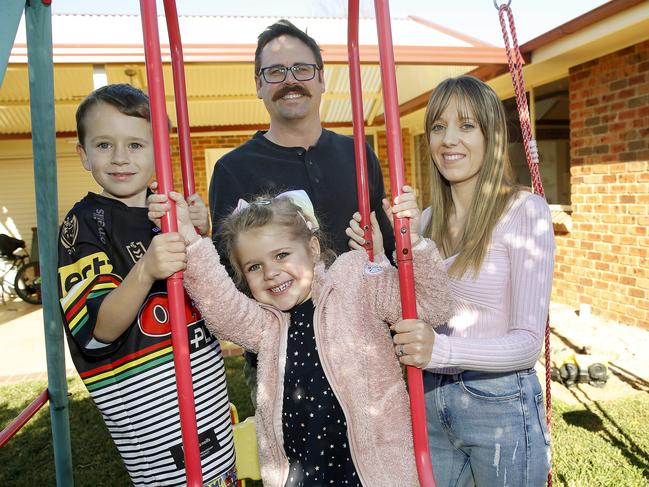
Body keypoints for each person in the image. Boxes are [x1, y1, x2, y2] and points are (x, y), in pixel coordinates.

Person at [148, 187, 452, 486]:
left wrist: (411, 243)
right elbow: (221, 306)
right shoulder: (266, 325)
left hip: (376, 472)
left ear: (313, 248)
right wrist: (189, 240)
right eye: (254, 266)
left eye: (281, 255)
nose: (271, 272)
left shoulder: (354, 282)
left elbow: (432, 306)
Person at [57, 84, 237, 486]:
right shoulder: (84, 224)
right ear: (83, 154)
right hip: (150, 415)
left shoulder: (169, 209)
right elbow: (97, 329)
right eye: (104, 145)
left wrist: (198, 234)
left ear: (159, 151)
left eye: (136, 145)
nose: (121, 158)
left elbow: (213, 295)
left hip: (207, 396)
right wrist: (146, 269)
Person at [209, 19, 396, 404]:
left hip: (369, 348)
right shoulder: (233, 169)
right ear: (258, 85)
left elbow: (388, 251)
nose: (290, 79)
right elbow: (231, 276)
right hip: (284, 360)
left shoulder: (358, 155)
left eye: (302, 69)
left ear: (322, 79)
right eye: (275, 71)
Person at [391, 76, 554, 486]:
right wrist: (386, 250)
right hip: (430, 399)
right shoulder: (425, 220)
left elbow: (527, 344)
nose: (449, 139)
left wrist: (439, 350)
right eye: (438, 126)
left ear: (491, 135)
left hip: (499, 403)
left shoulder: (524, 212)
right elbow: (412, 308)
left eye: (466, 126)